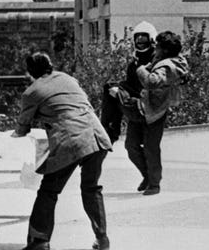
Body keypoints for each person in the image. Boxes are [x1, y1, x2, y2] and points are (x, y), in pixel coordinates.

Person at [12, 52, 113, 250]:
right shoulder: (68, 79)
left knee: (49, 191)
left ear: (30, 72)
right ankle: (102, 239)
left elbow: (22, 127)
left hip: (71, 141)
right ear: (50, 66)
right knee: (91, 189)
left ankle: (39, 241)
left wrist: (15, 134)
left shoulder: (32, 92)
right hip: (96, 135)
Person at [124, 31, 189, 196]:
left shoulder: (168, 65)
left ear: (165, 50)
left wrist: (140, 69)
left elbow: (151, 82)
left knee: (151, 147)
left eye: (158, 46)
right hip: (141, 107)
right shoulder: (161, 59)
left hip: (156, 110)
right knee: (131, 145)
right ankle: (147, 176)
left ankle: (154, 183)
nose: (154, 48)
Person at [101, 21, 157, 142]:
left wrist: (120, 94)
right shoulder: (134, 64)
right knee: (109, 87)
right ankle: (109, 129)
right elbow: (130, 85)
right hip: (135, 102)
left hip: (144, 106)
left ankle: (110, 132)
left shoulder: (155, 62)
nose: (140, 39)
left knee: (113, 91)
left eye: (144, 36)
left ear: (151, 38)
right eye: (138, 37)